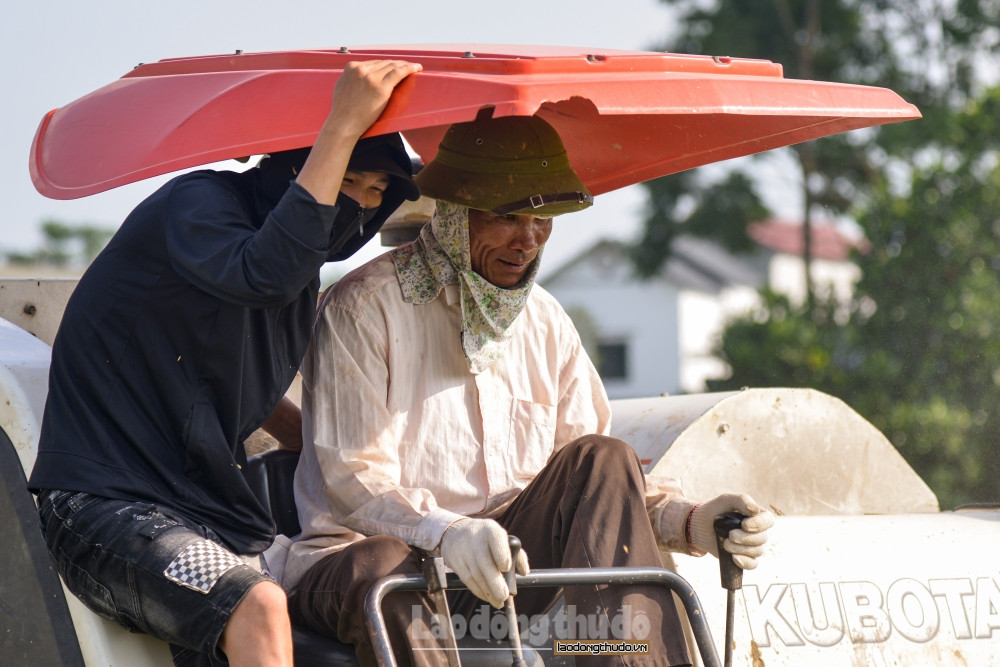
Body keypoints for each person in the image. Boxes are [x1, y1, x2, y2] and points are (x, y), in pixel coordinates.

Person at [284, 113, 774, 666]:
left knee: (603, 458)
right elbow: (355, 481)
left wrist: (693, 522)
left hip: (506, 572)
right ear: (453, 215)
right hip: (365, 564)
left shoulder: (545, 319)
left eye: (543, 218)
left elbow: (603, 485)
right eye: (507, 215)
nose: (528, 239)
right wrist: (447, 534)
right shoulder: (363, 306)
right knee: (385, 567)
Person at [27, 59, 423, 667]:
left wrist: (323, 444)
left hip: (208, 512)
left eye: (376, 196)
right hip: (101, 508)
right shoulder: (200, 206)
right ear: (300, 167)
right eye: (350, 180)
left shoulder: (294, 278)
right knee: (257, 604)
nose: (360, 208)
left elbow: (237, 386)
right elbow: (264, 271)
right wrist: (342, 123)